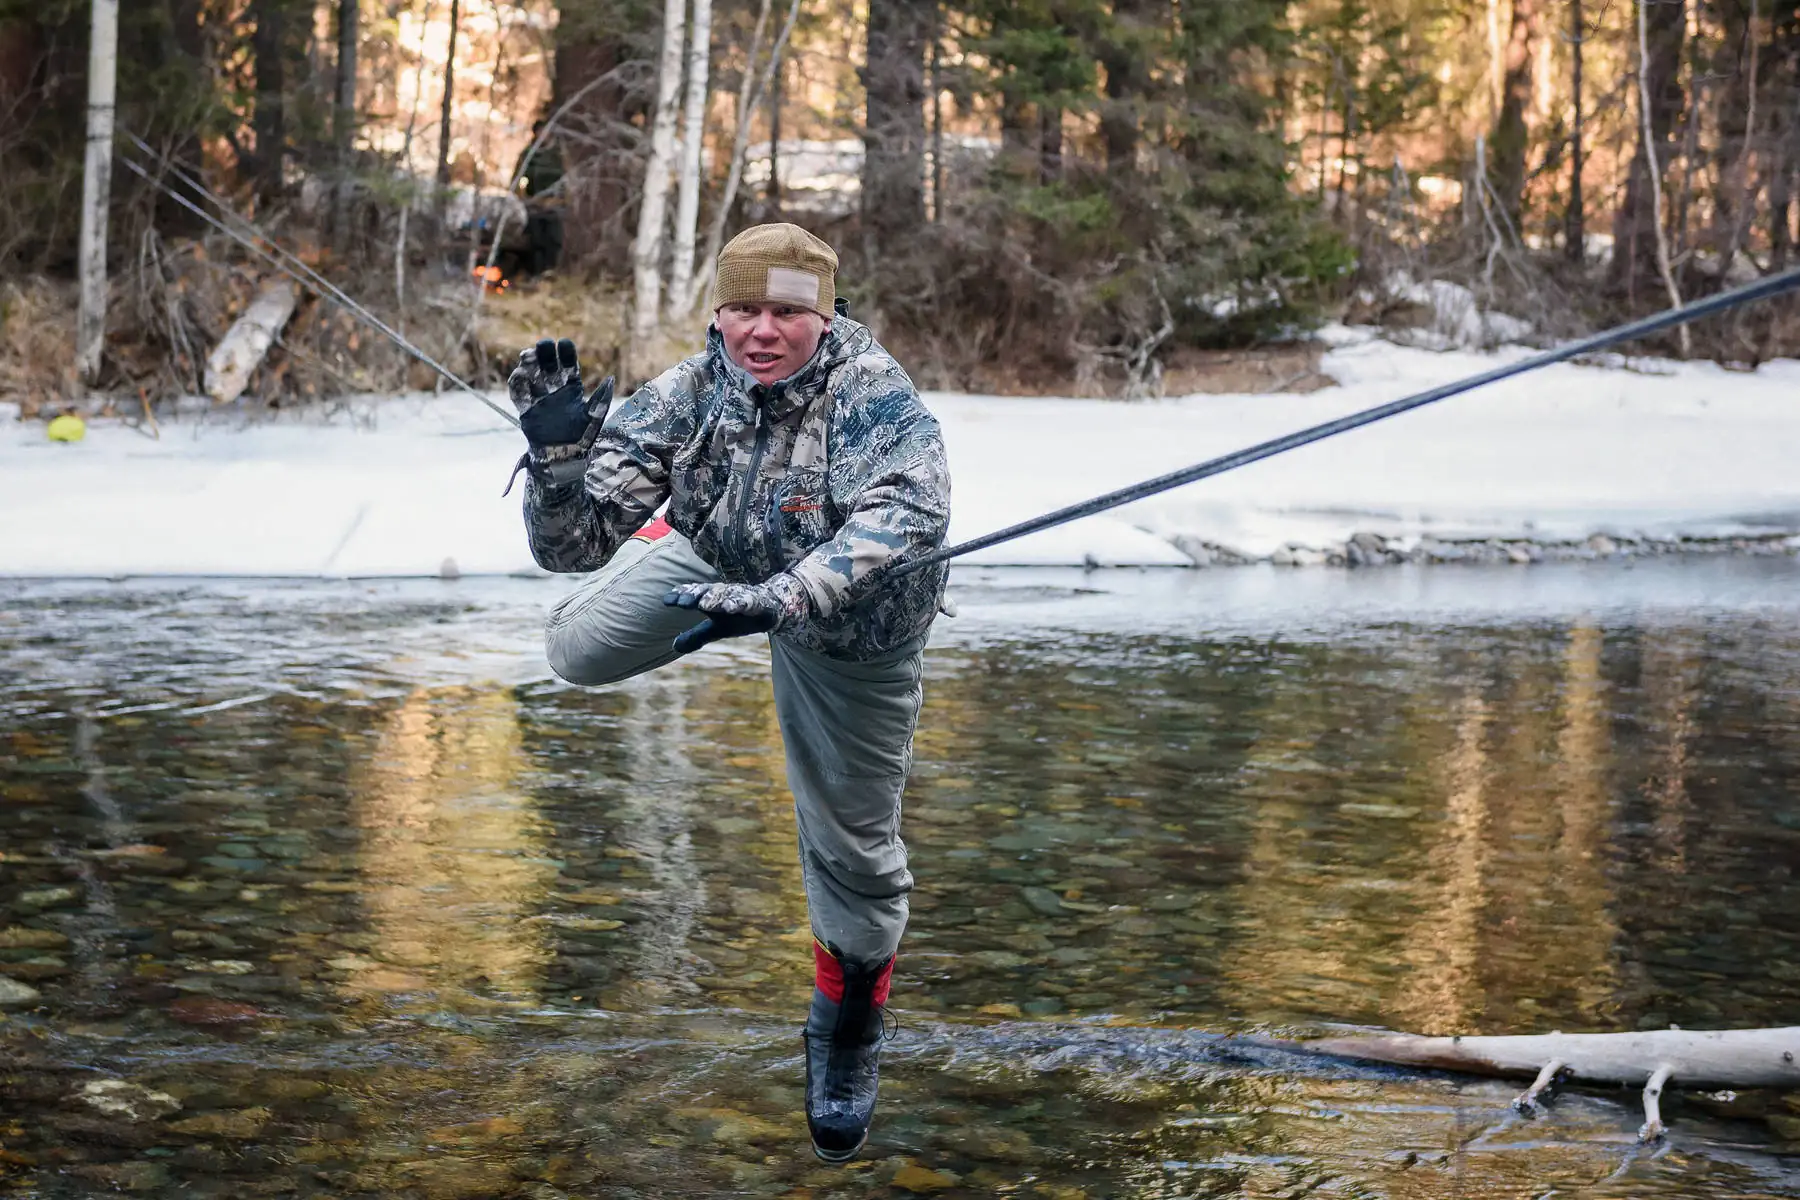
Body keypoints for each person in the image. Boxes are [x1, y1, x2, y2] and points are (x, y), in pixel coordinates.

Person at [504, 223, 951, 1162]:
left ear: (823, 320)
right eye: (745, 307)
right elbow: (572, 548)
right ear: (718, 312)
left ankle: (847, 1030)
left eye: (788, 311)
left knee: (852, 851)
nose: (762, 330)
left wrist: (781, 600)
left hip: (847, 625)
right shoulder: (688, 391)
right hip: (723, 555)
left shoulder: (875, 392)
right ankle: (710, 573)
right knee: (571, 649)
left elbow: (909, 514)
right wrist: (556, 468)